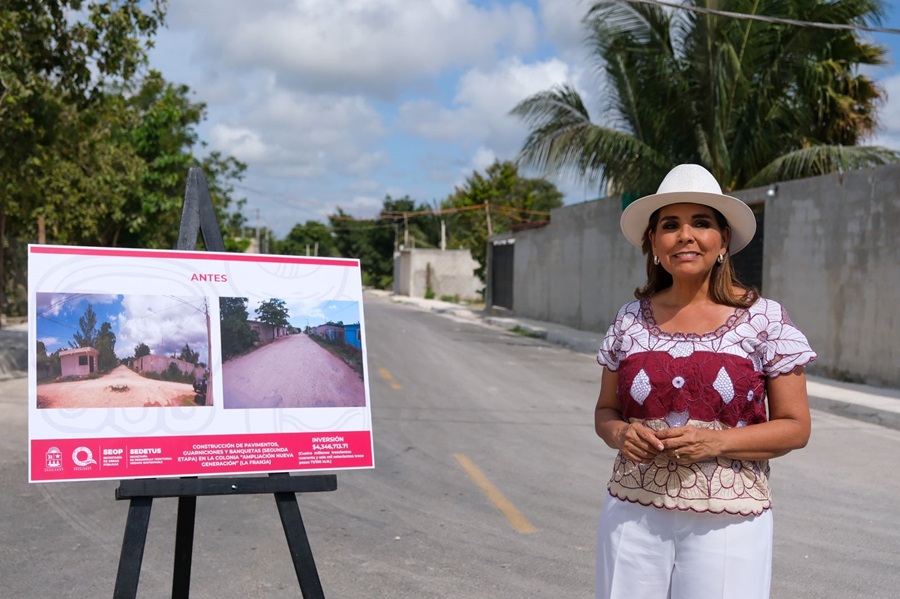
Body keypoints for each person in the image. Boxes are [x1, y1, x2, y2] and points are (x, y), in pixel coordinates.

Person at [593, 164, 816, 599]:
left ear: (723, 240)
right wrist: (621, 433)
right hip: (632, 511)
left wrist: (715, 442)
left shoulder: (764, 320)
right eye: (670, 225)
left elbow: (796, 427)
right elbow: (606, 412)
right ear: (654, 242)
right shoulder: (628, 320)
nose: (685, 235)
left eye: (702, 222)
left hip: (729, 520)